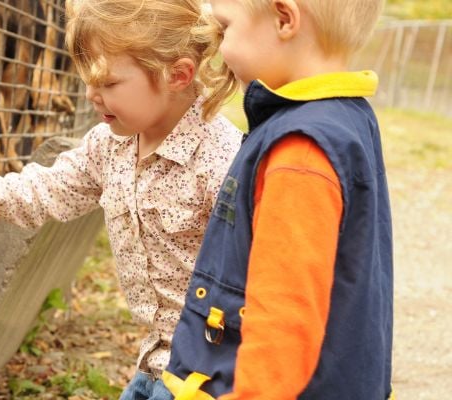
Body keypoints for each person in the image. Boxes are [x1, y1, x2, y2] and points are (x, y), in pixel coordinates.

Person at [0, 0, 242, 398]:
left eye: (108, 84)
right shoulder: (109, 146)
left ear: (177, 75)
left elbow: (256, 270)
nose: (91, 95)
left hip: (207, 368)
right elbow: (47, 191)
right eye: (88, 81)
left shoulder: (222, 161)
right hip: (156, 357)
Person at [162, 0, 393, 399]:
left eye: (226, 27)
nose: (219, 46)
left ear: (284, 19)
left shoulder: (300, 152)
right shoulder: (347, 117)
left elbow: (284, 318)